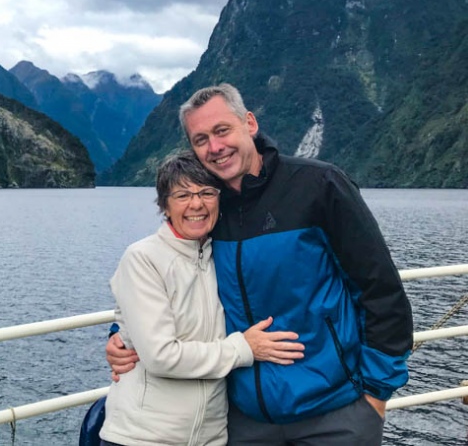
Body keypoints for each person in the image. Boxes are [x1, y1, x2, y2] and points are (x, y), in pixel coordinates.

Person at [107, 84, 414, 445]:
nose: (215, 147)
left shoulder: (319, 186)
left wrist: (376, 394)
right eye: (201, 139)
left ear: (249, 123)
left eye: (222, 130)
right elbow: (169, 280)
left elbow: (380, 290)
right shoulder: (208, 211)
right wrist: (120, 335)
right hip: (244, 420)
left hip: (335, 413)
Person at [99, 150, 305, 446]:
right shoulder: (144, 259)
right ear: (164, 206)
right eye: (182, 195)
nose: (196, 204)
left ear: (220, 200)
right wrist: (243, 348)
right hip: (144, 437)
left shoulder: (222, 254)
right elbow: (160, 356)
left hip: (210, 436)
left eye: (207, 192)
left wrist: (118, 331)